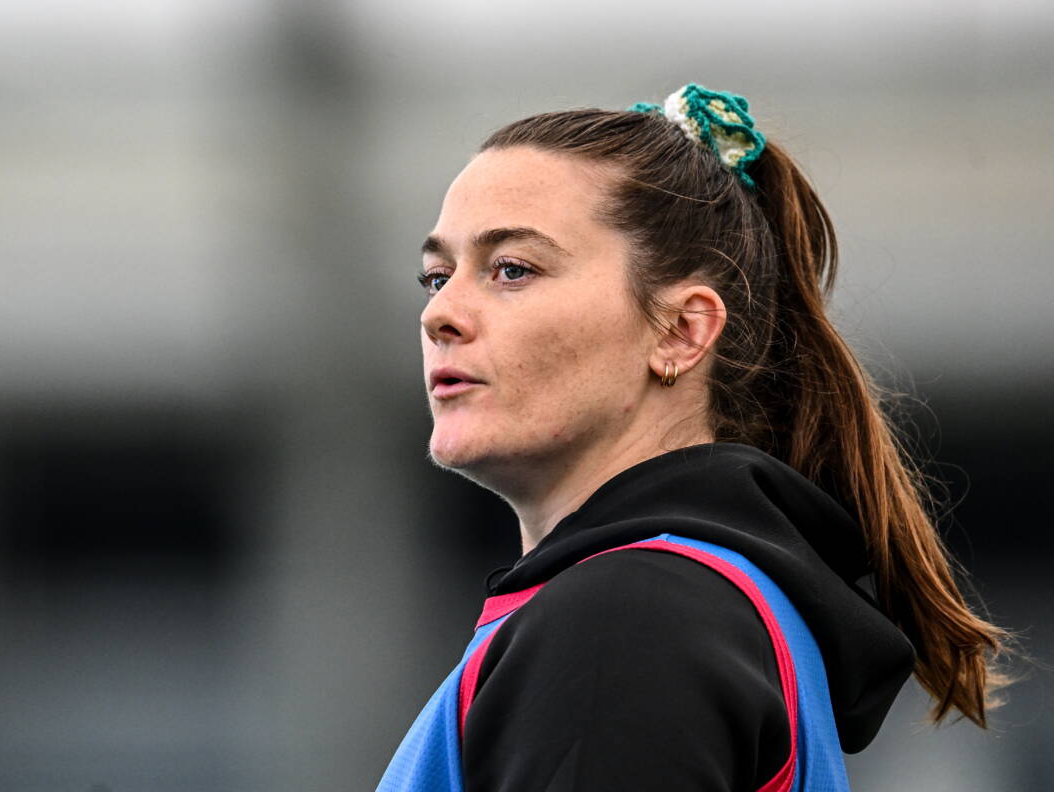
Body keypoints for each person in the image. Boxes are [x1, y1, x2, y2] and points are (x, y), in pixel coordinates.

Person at [376, 84, 1012, 792]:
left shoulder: (623, 621)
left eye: (512, 269)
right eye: (437, 276)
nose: (442, 314)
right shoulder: (693, 601)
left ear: (681, 330)